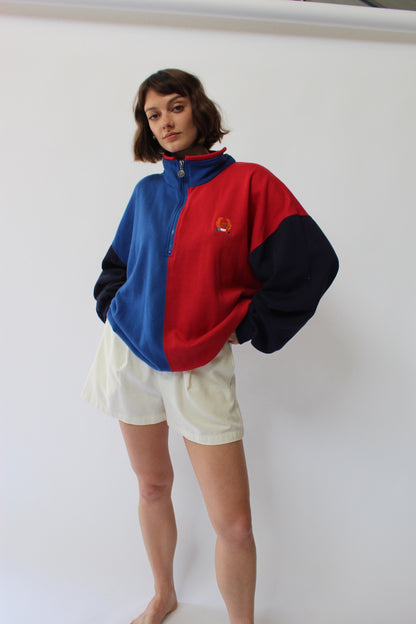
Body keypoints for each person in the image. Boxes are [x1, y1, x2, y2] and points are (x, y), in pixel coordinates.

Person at [82, 68, 339, 624]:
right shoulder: (146, 193)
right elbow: (117, 266)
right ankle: (164, 595)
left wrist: (244, 325)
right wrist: (116, 307)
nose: (165, 122)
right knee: (153, 486)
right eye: (153, 115)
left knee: (235, 525)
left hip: (200, 365)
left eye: (175, 107)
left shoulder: (250, 184)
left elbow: (312, 264)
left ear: (198, 109)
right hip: (129, 357)